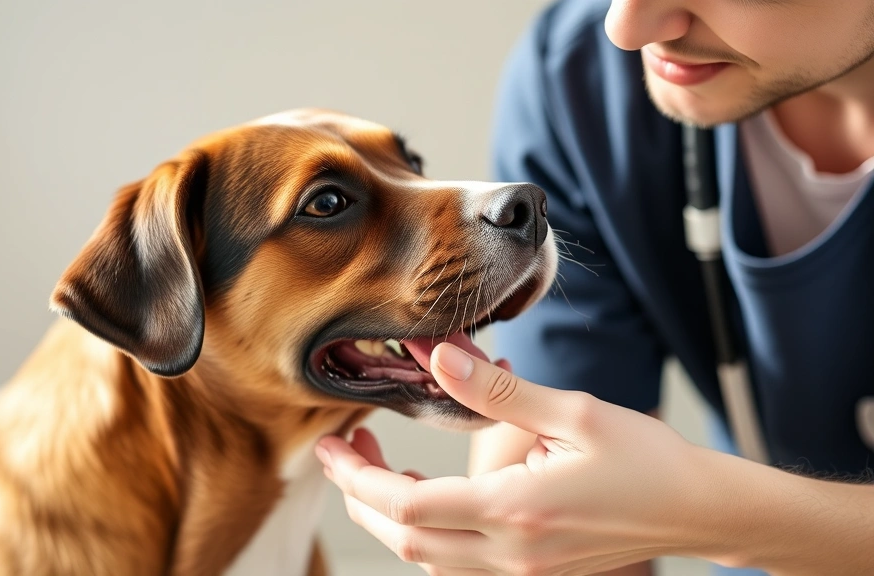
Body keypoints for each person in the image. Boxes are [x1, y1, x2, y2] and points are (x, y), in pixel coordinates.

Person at [314, 0, 874, 574]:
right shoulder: (581, 82)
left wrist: (718, 518)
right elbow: (564, 505)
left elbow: (679, 519)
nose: (625, 29)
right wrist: (515, 541)